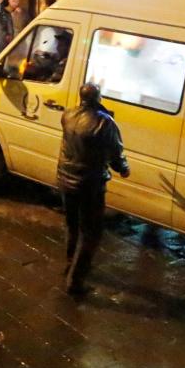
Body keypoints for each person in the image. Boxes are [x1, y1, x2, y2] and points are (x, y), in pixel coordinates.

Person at [57, 84, 130, 296]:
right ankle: (75, 282)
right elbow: (116, 151)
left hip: (65, 179)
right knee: (91, 234)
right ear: (98, 97)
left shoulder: (68, 114)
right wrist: (123, 169)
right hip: (89, 184)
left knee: (72, 225)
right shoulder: (104, 122)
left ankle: (70, 264)